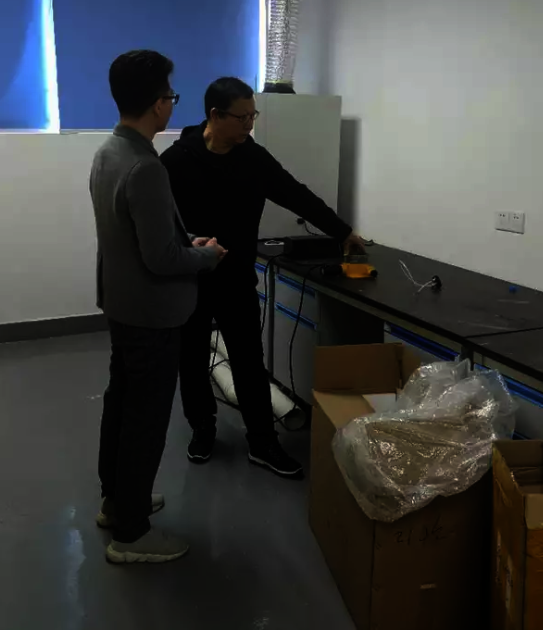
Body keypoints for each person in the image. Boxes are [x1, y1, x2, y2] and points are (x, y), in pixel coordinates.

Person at [161, 77, 364, 478]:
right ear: (214, 115)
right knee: (192, 358)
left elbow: (295, 193)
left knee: (249, 362)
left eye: (253, 115)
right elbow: (161, 223)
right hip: (191, 279)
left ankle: (262, 441)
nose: (249, 124)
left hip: (236, 278)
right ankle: (202, 429)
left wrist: (342, 231)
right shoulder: (176, 161)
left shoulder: (252, 159)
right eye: (242, 117)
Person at [89, 50, 225, 564]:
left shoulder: (109, 152)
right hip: (152, 313)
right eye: (170, 95)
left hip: (122, 303)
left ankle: (117, 502)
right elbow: (162, 259)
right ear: (156, 104)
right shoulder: (146, 166)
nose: (172, 104)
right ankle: (132, 533)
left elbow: (135, 237)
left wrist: (185, 240)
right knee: (145, 420)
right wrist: (205, 255)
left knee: (121, 405)